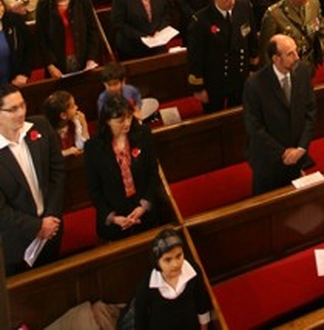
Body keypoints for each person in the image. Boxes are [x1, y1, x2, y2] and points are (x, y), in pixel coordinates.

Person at [0, 82, 65, 275]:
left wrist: (50, 219)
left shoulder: (41, 126)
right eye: (12, 109)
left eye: (22, 105)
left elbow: (58, 172)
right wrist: (37, 227)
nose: (21, 113)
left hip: (52, 228)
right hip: (16, 242)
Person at [242, 34, 317, 195]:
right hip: (268, 160)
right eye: (290, 53)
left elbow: (310, 112)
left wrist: (301, 148)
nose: (297, 57)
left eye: (296, 51)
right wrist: (283, 153)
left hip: (297, 155)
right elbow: (254, 127)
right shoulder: (255, 85)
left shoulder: (303, 71)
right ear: (276, 59)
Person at [84, 93, 160, 241]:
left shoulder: (143, 134)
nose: (127, 123)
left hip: (144, 211)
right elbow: (94, 189)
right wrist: (113, 218)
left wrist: (143, 206)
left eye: (129, 117)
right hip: (114, 217)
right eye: (120, 120)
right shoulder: (93, 147)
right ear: (107, 121)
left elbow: (153, 172)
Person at [187, 0, 258, 112]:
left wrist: (253, 69)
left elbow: (252, 41)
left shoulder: (244, 7)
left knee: (238, 116)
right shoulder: (201, 20)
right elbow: (195, 57)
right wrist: (198, 88)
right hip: (215, 81)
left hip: (239, 77)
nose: (232, 2)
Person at [123, 228, 212, 329]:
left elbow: (201, 300)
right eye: (168, 260)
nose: (175, 264)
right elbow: (140, 319)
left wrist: (204, 327)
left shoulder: (193, 270)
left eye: (179, 256)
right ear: (157, 262)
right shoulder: (147, 285)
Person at [260, 0, 324, 74]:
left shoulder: (313, 2)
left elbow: (322, 31)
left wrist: (321, 50)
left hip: (310, 64)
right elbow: (266, 52)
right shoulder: (274, 14)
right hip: (287, 69)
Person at [35, 0, 100, 78]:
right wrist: (50, 66)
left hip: (83, 58)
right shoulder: (43, 6)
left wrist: (91, 58)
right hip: (57, 63)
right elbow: (42, 39)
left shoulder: (82, 0)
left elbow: (93, 30)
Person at [43, 89, 90, 156]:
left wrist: (84, 125)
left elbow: (82, 147)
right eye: (73, 106)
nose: (77, 107)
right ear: (63, 115)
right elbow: (48, 156)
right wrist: (66, 152)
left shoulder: (74, 122)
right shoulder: (48, 131)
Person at [0, 0, 30, 84]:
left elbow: (28, 47)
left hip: (14, 81)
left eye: (1, 5)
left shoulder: (14, 21)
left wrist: (24, 73)